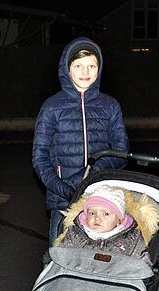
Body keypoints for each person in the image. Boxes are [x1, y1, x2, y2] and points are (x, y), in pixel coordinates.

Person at [32, 36, 129, 246]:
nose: (85, 72)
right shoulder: (51, 107)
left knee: (98, 260)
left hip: (102, 199)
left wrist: (91, 174)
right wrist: (64, 189)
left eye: (91, 66)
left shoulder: (110, 105)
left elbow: (121, 150)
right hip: (63, 202)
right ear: (67, 68)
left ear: (99, 68)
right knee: (59, 257)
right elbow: (40, 158)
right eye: (79, 66)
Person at [54, 185, 156, 265]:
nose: (97, 218)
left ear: (119, 220)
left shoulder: (131, 238)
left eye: (106, 214)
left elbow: (141, 263)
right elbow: (61, 256)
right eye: (92, 213)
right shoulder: (75, 234)